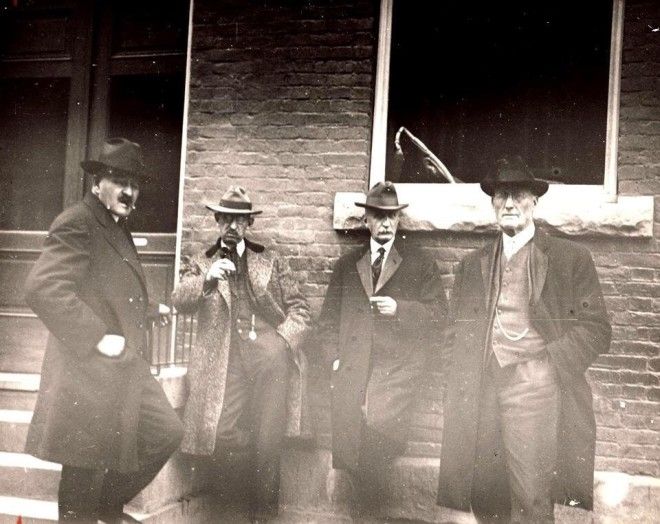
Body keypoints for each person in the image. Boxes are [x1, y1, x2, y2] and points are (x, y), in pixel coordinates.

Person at [437, 157, 612, 523]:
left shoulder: (569, 258)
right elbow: (454, 330)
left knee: (531, 495)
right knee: (485, 490)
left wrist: (550, 366)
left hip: (536, 386)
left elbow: (596, 328)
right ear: (493, 203)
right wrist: (461, 375)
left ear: (535, 201)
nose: (509, 204)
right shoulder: (473, 264)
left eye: (518, 195)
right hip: (483, 385)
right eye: (501, 196)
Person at [24, 137, 184, 523]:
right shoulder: (78, 221)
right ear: (97, 183)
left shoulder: (115, 224)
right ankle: (98, 511)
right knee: (81, 469)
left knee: (167, 431)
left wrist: (148, 308)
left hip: (119, 368)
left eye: (134, 184)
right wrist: (97, 335)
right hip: (85, 371)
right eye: (119, 181)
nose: (129, 192)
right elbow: (42, 288)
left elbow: (103, 285)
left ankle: (106, 506)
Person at [171, 186, 311, 522]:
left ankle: (263, 513)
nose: (232, 226)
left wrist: (282, 342)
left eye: (239, 220)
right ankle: (235, 507)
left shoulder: (270, 260)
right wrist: (208, 279)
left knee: (269, 434)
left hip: (270, 356)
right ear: (217, 221)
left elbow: (301, 309)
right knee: (222, 433)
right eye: (226, 219)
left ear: (249, 223)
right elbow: (179, 300)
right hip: (225, 360)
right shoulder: (202, 261)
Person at [318, 181, 448, 517]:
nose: (386, 223)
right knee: (353, 445)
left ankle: (365, 514)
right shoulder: (348, 265)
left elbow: (439, 314)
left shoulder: (419, 263)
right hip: (354, 369)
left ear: (399, 219)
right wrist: (334, 360)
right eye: (378, 216)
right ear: (366, 220)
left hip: (397, 372)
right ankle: (364, 513)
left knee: (378, 440)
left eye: (391, 216)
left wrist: (400, 309)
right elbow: (327, 321)